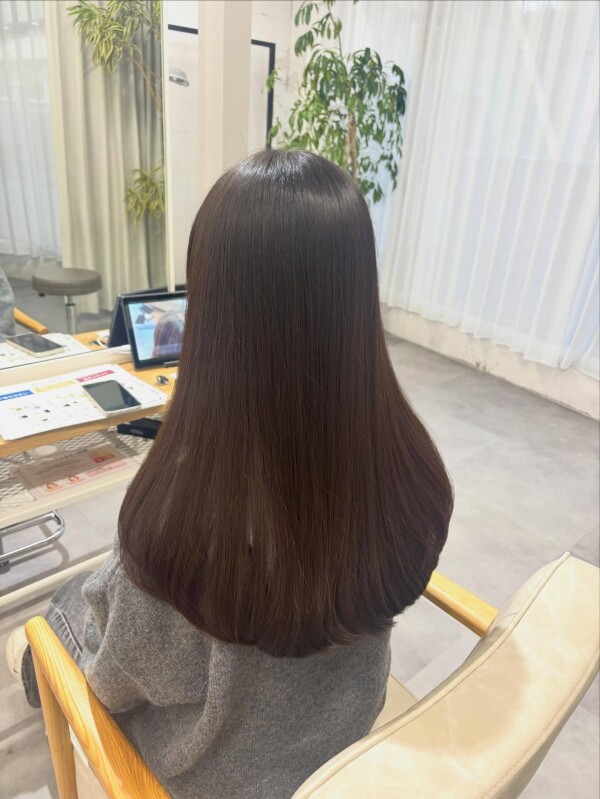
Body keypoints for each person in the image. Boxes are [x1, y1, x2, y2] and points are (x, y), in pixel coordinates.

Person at [5, 150, 453, 799]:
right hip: (338, 745)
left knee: (54, 623)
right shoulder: (407, 481)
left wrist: (63, 642)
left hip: (206, 781)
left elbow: (110, 685)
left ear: (212, 312)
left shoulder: (178, 539)